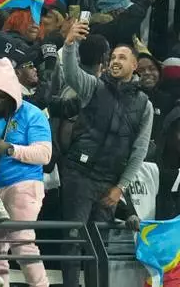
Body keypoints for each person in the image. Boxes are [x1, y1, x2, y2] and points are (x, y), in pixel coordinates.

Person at [57, 19, 153, 287]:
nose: (115, 61)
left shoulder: (144, 105)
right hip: (79, 175)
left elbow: (139, 150)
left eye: (122, 57)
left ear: (135, 65)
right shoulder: (94, 86)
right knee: (73, 239)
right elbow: (71, 74)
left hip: (109, 183)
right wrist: (69, 44)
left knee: (99, 245)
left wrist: (120, 187)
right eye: (112, 57)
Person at [0, 57, 53, 287]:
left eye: (1, 96)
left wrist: (9, 149)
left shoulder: (32, 113)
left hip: (24, 183)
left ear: (12, 94)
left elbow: (44, 154)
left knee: (22, 243)